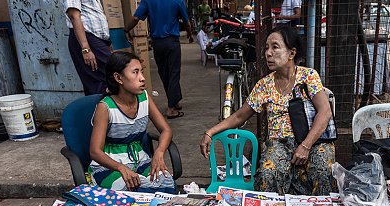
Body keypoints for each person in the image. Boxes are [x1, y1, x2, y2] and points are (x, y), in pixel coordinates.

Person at [200, 27, 335, 195]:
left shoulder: (308, 76)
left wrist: (305, 146)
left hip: (312, 140)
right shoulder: (264, 85)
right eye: (266, 48)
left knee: (322, 169)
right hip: (280, 144)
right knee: (267, 173)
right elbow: (239, 116)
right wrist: (210, 132)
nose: (268, 53)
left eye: (275, 47)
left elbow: (325, 112)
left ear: (291, 53)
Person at [88, 52, 176, 193]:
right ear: (118, 78)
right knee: (130, 192)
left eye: (141, 71)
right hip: (110, 166)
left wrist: (159, 152)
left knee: (166, 182)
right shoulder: (105, 107)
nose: (142, 78)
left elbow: (166, 130)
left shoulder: (144, 98)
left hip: (140, 161)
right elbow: (95, 152)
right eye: (135, 72)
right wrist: (121, 168)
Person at [125, 0, 194, 119]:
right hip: (172, 42)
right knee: (173, 73)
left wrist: (126, 29)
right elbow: (186, 21)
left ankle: (174, 101)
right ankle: (171, 109)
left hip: (158, 43)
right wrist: (190, 34)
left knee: (164, 73)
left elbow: (136, 18)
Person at [64, 0, 112, 95]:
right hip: (87, 39)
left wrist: (107, 42)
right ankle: (100, 108)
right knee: (108, 76)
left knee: (105, 79)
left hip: (97, 39)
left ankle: (108, 108)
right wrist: (86, 49)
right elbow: (74, 16)